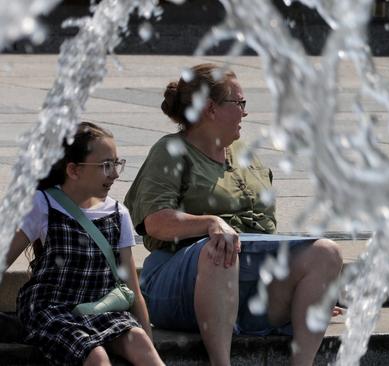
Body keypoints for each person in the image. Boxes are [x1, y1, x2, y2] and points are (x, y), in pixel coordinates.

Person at [124, 64, 343, 366]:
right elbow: (156, 223)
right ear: (210, 109)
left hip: (246, 283)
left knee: (325, 253)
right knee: (222, 247)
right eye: (239, 103)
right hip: (179, 285)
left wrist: (301, 287)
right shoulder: (170, 151)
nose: (245, 112)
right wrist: (211, 223)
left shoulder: (243, 152)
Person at [3, 122, 163, 365]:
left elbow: (133, 289)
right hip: (52, 310)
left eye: (116, 163)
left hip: (101, 309)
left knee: (139, 340)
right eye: (105, 166)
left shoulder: (119, 213)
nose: (115, 174)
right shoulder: (43, 204)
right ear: (74, 170)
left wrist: (150, 341)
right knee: (96, 355)